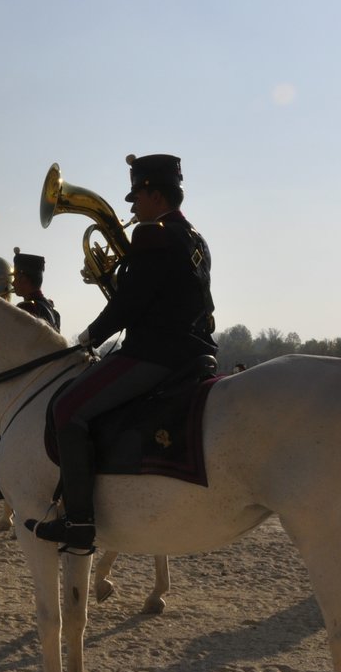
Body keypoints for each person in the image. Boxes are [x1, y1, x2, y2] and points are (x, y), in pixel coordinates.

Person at [27, 154, 217, 555]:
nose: (131, 206)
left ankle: (79, 520)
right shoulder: (193, 237)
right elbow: (156, 296)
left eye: (137, 195)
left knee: (67, 410)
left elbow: (128, 307)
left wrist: (87, 337)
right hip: (192, 349)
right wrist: (112, 277)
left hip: (155, 353)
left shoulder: (154, 235)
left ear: (155, 193)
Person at [11, 250, 60, 331]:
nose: (13, 283)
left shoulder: (27, 307)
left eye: (15, 278)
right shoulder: (54, 312)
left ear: (23, 279)